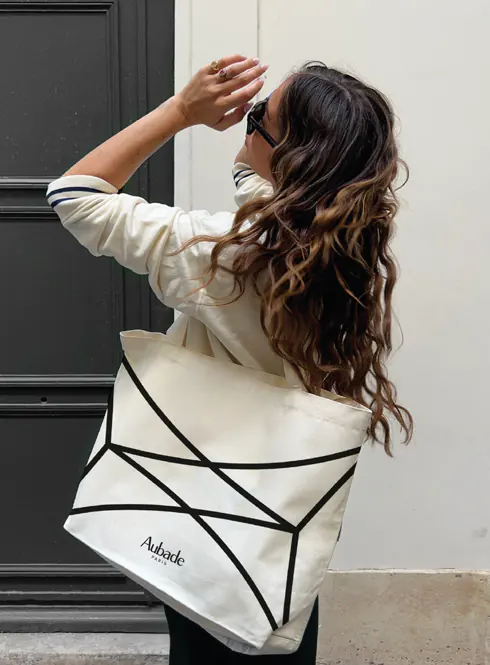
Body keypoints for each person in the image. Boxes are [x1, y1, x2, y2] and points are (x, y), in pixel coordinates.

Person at [47, 55, 413, 663]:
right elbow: (258, 187)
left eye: (258, 118)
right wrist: (255, 147)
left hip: (206, 506)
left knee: (210, 641)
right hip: (274, 511)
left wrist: (181, 111)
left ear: (292, 157)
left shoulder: (218, 255)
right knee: (275, 622)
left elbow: (75, 195)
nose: (248, 123)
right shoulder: (346, 251)